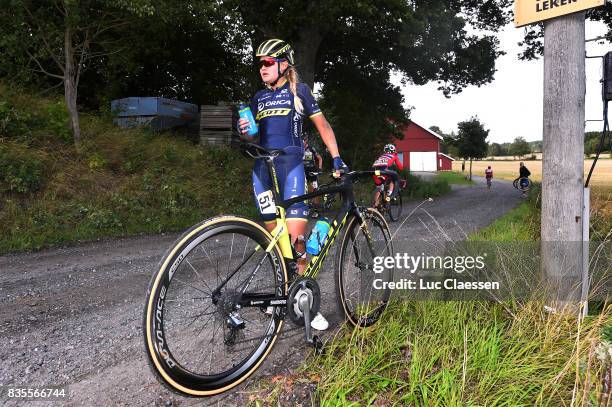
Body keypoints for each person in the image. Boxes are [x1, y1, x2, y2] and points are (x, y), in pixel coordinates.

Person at [238, 39, 348, 331]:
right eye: (259, 63)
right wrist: (246, 133)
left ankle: (306, 307)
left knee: (297, 243)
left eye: (267, 62)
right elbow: (252, 136)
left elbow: (323, 126)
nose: (262, 68)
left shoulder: (300, 92)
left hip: (291, 168)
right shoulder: (257, 98)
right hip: (262, 172)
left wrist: (336, 159)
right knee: (277, 247)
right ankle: (283, 297)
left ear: (283, 64)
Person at [303, 134, 323, 218]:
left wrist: (320, 169)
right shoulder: (299, 150)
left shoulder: (311, 149)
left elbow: (320, 158)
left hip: (313, 173)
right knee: (306, 191)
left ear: (306, 140)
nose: (302, 142)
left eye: (303, 140)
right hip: (304, 173)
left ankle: (316, 211)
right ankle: (307, 208)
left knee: (315, 190)